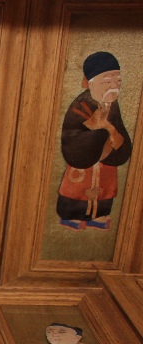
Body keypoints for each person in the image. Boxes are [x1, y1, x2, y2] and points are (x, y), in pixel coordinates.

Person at [56, 51, 133, 231]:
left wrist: (112, 131)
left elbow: (118, 128)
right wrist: (98, 130)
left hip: (106, 159)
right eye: (107, 81)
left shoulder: (113, 105)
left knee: (105, 187)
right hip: (84, 158)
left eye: (117, 81)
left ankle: (98, 215)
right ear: (91, 83)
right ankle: (71, 216)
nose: (114, 86)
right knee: (77, 189)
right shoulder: (81, 104)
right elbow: (73, 133)